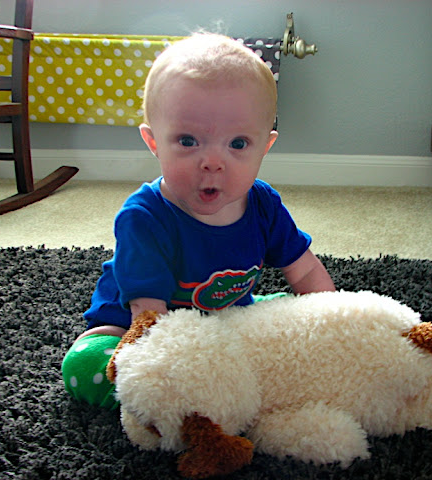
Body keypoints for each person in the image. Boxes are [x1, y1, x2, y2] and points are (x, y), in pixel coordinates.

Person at [61, 33, 335, 409]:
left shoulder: (264, 205)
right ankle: (175, 402)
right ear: (154, 142)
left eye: (238, 144)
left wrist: (330, 323)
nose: (212, 162)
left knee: (288, 317)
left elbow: (306, 272)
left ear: (264, 147)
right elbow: (149, 317)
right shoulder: (144, 218)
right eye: (188, 141)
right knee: (85, 365)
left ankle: (223, 381)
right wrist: (173, 373)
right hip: (134, 325)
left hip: (225, 320)